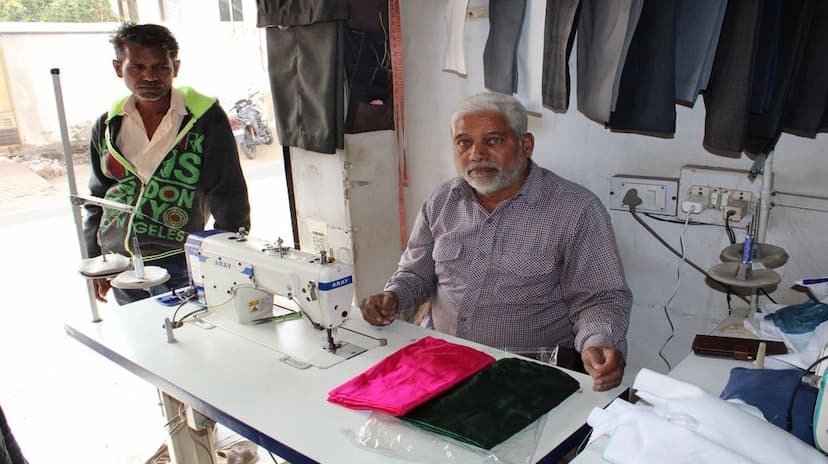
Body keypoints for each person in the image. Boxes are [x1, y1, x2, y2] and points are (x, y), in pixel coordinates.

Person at [360, 92, 632, 391]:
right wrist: (394, 297)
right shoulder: (440, 202)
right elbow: (415, 274)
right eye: (464, 142)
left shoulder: (575, 210)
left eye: (493, 141)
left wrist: (598, 341)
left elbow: (600, 297)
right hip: (441, 360)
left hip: (529, 373)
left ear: (525, 145)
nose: (476, 154)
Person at [84, 23, 251, 305]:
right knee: (142, 340)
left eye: (161, 67)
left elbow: (228, 193)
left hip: (181, 260)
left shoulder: (204, 119)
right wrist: (96, 259)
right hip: (121, 264)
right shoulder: (107, 125)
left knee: (194, 338)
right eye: (136, 67)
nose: (149, 76)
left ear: (176, 66)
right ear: (117, 68)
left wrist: (226, 259)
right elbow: (98, 197)